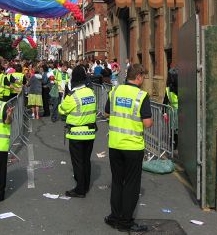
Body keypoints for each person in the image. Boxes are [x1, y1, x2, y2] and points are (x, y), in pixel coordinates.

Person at [104, 64, 153, 232]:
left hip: (115, 144)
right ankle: (126, 222)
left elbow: (106, 113)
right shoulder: (141, 95)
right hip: (132, 146)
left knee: (117, 181)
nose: (144, 80)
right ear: (138, 76)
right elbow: (147, 123)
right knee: (131, 184)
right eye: (144, 77)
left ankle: (114, 217)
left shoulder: (115, 91)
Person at [58, 65, 97, 198]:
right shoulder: (91, 92)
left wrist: (64, 96)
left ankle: (80, 189)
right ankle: (85, 184)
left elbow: (62, 109)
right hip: (90, 132)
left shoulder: (72, 96)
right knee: (86, 160)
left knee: (78, 162)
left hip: (76, 134)